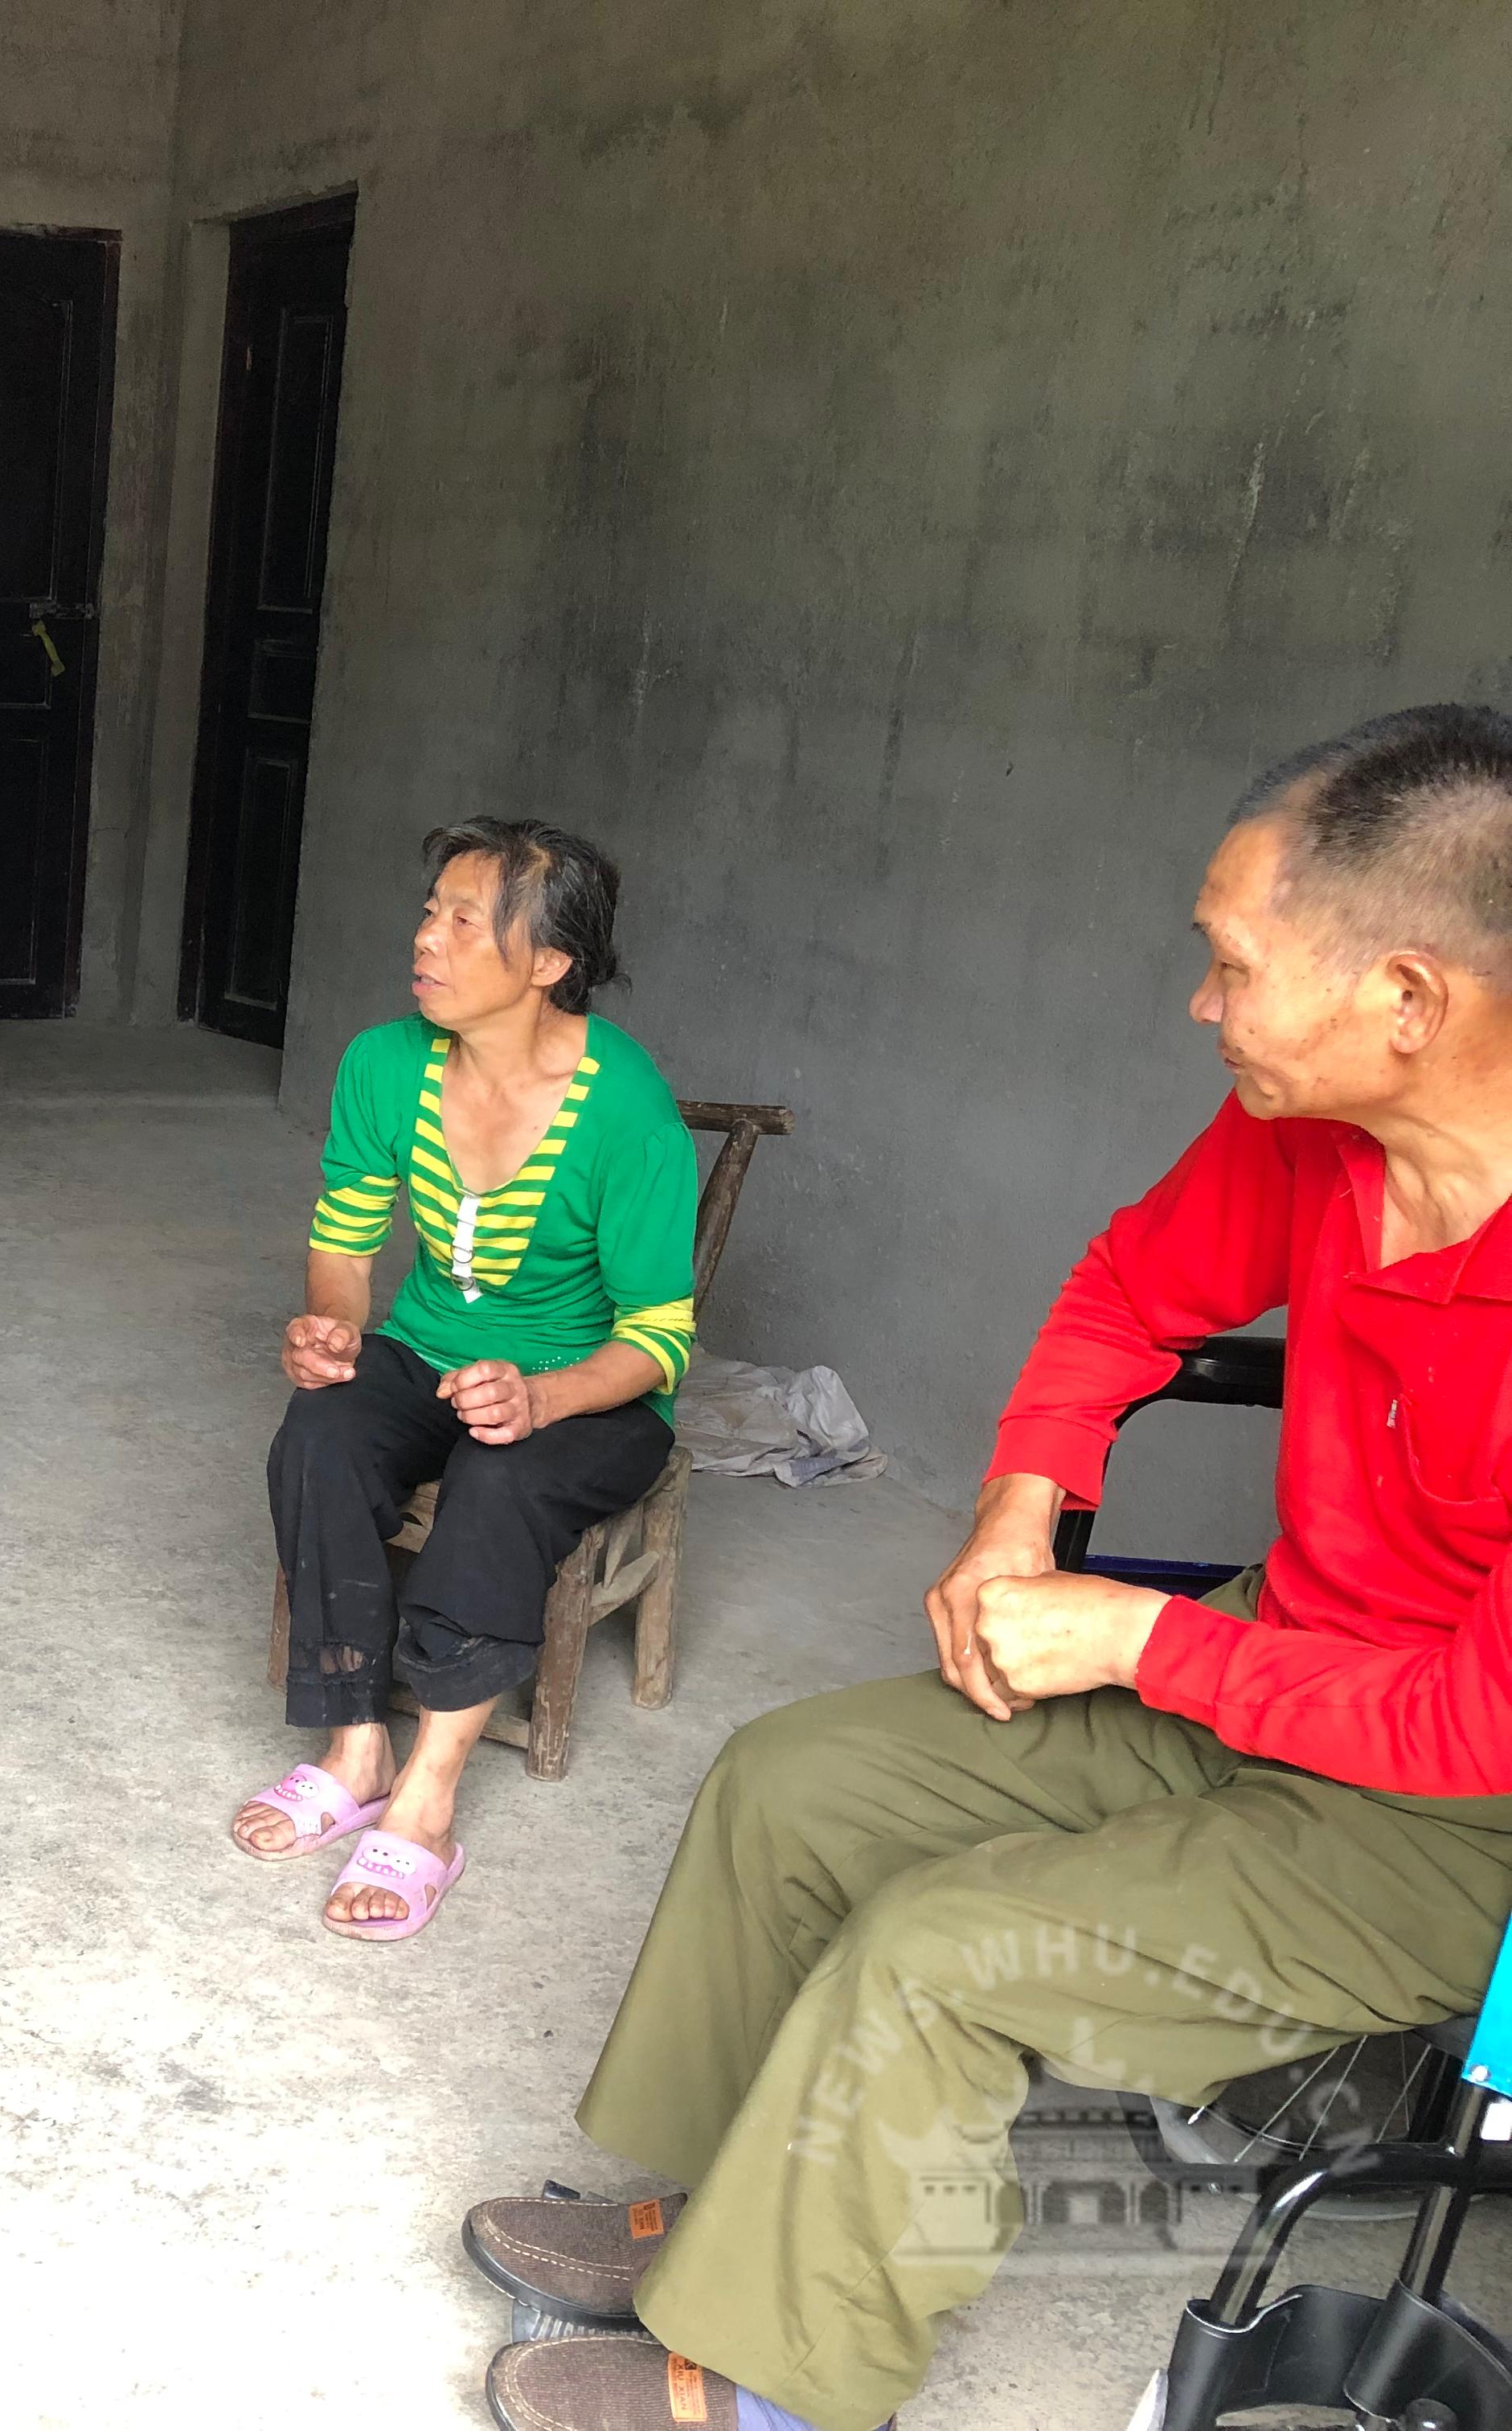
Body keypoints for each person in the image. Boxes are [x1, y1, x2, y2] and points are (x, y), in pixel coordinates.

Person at [462, 703, 1512, 2431]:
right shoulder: (1320, 1130)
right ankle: (732, 2221)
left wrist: (1135, 1639)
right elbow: (1127, 1292)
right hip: (1263, 1666)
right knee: (793, 1784)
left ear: (1407, 998)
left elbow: (1477, 1724)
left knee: (941, 1946)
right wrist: (1021, 1507)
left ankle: (784, 2381)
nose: (1201, 1004)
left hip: (1450, 1823)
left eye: (1233, 964)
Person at [232, 819, 696, 1939]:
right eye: (429, 910)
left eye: (464, 921)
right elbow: (346, 1246)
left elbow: (660, 1338)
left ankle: (428, 1800)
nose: (426, 938)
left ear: (549, 962)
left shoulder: (627, 1109)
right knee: (321, 1429)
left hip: (591, 1389)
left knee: (500, 1479)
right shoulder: (385, 1065)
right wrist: (332, 1331)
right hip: (429, 1351)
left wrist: (542, 1398)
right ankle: (356, 1750)